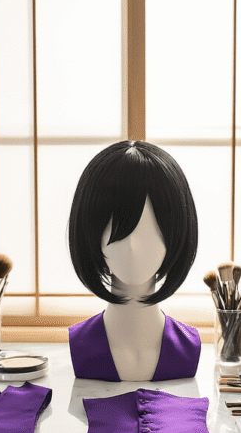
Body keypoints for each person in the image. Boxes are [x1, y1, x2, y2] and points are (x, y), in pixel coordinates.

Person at [67, 140, 200, 381]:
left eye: (151, 230)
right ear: (91, 233)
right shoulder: (83, 346)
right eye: (116, 230)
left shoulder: (186, 349)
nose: (132, 247)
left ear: (176, 233)